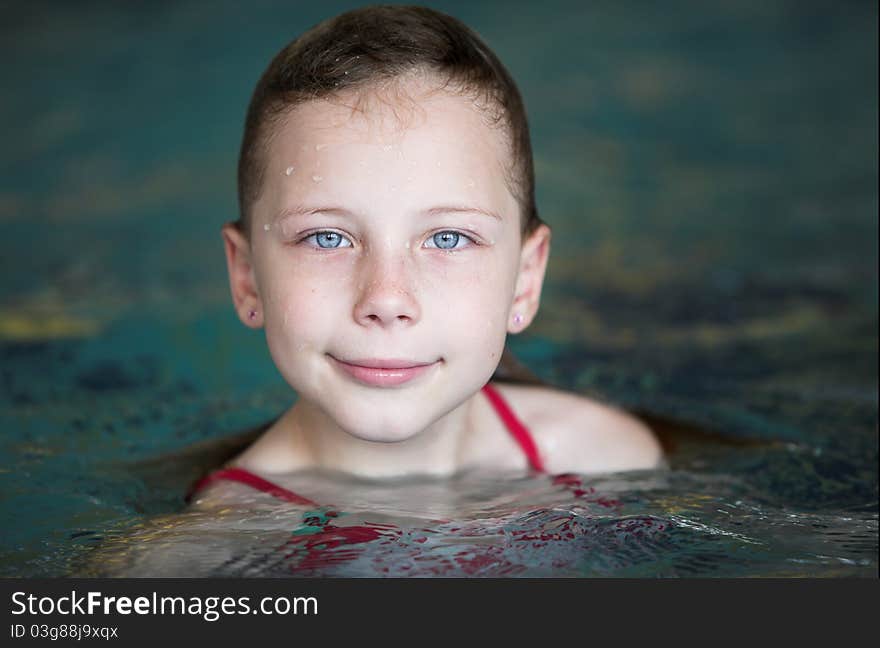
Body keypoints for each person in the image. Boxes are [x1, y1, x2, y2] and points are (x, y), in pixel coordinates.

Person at [190, 5, 661, 509]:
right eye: (327, 238)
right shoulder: (211, 553)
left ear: (525, 278)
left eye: (449, 238)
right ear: (246, 277)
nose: (387, 299)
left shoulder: (606, 460)